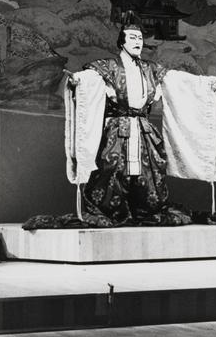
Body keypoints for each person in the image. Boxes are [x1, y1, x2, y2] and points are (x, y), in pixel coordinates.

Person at [61, 20, 196, 227]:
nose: (137, 42)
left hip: (143, 128)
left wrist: (205, 85)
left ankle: (145, 209)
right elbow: (91, 78)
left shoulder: (150, 69)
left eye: (140, 38)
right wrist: (79, 80)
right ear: (122, 42)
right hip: (117, 127)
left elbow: (176, 80)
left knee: (149, 171)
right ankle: (110, 210)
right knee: (110, 168)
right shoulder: (109, 67)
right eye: (132, 38)